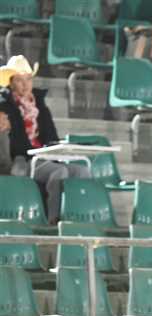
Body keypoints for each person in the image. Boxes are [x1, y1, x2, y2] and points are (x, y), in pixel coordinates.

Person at [0, 55, 90, 223]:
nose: (25, 84)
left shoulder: (40, 105)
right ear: (11, 83)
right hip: (24, 159)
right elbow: (14, 144)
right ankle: (52, 221)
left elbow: (51, 136)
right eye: (19, 80)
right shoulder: (4, 106)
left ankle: (79, 219)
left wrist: (55, 148)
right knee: (59, 172)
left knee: (82, 171)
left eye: (28, 79)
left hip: (46, 156)